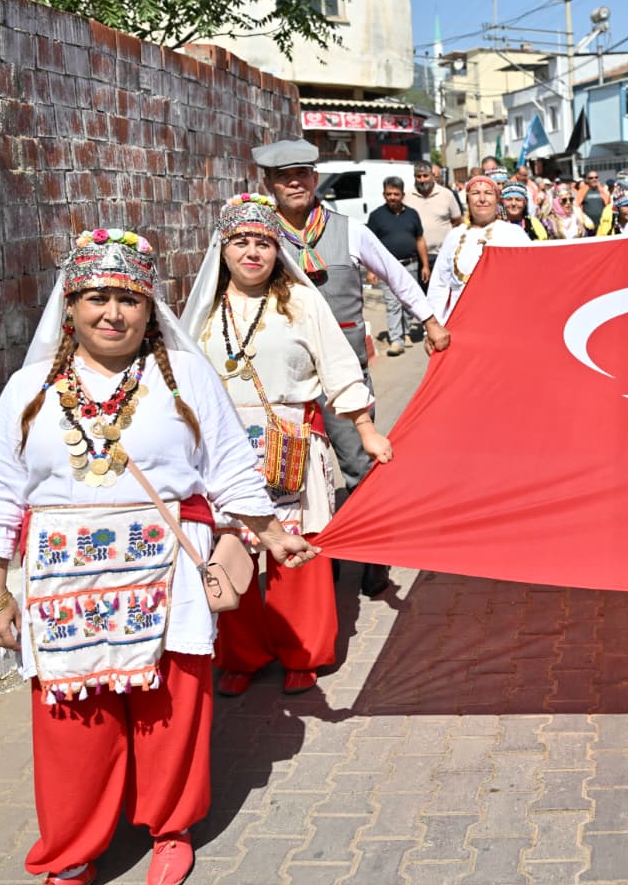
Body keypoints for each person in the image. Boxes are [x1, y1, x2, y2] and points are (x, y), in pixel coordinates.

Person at [0, 227, 315, 885]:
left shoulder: (184, 378)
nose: (112, 313)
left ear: (149, 308)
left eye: (128, 299)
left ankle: (171, 829)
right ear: (70, 307)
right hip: (65, 585)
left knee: (171, 712)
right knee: (70, 728)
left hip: (167, 576)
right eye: (96, 297)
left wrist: (274, 533)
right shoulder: (28, 389)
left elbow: (230, 467)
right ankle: (69, 860)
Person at [181, 195, 386, 697]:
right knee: (232, 548)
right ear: (222, 248)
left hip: (290, 438)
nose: (252, 253)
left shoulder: (301, 301)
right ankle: (242, 654)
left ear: (278, 250)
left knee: (296, 551)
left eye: (263, 243)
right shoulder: (205, 308)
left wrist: (365, 429)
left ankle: (303, 652)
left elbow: (340, 366)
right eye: (241, 242)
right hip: (224, 448)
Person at [254, 138, 449, 599]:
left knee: (360, 466)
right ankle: (319, 556)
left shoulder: (349, 230)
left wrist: (430, 321)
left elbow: (395, 276)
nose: (294, 184)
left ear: (314, 178)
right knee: (297, 473)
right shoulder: (260, 236)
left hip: (343, 375)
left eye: (301, 174)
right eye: (283, 177)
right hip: (284, 378)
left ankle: (374, 556)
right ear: (268, 184)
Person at [428, 174, 533, 322]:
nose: (482, 199)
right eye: (476, 193)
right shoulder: (455, 235)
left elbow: (530, 278)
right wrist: (434, 324)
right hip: (459, 320)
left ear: (497, 200)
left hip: (501, 318)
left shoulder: (514, 233)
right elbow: (439, 283)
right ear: (467, 200)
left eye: (488, 193)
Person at [365, 175, 429, 356]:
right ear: (383, 194)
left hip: (410, 265)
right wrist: (370, 270)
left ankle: (406, 332)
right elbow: (369, 245)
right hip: (387, 268)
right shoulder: (376, 216)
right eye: (388, 194)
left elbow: (420, 239)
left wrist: (425, 265)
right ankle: (396, 340)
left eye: (396, 194)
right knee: (392, 303)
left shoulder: (412, 214)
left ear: (402, 195)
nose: (392, 197)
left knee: (409, 302)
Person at [407, 160, 464, 281]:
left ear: (432, 176)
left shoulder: (447, 194)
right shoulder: (407, 196)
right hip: (416, 258)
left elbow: (457, 222)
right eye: (418, 176)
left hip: (441, 255)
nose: (422, 180)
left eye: (425, 176)